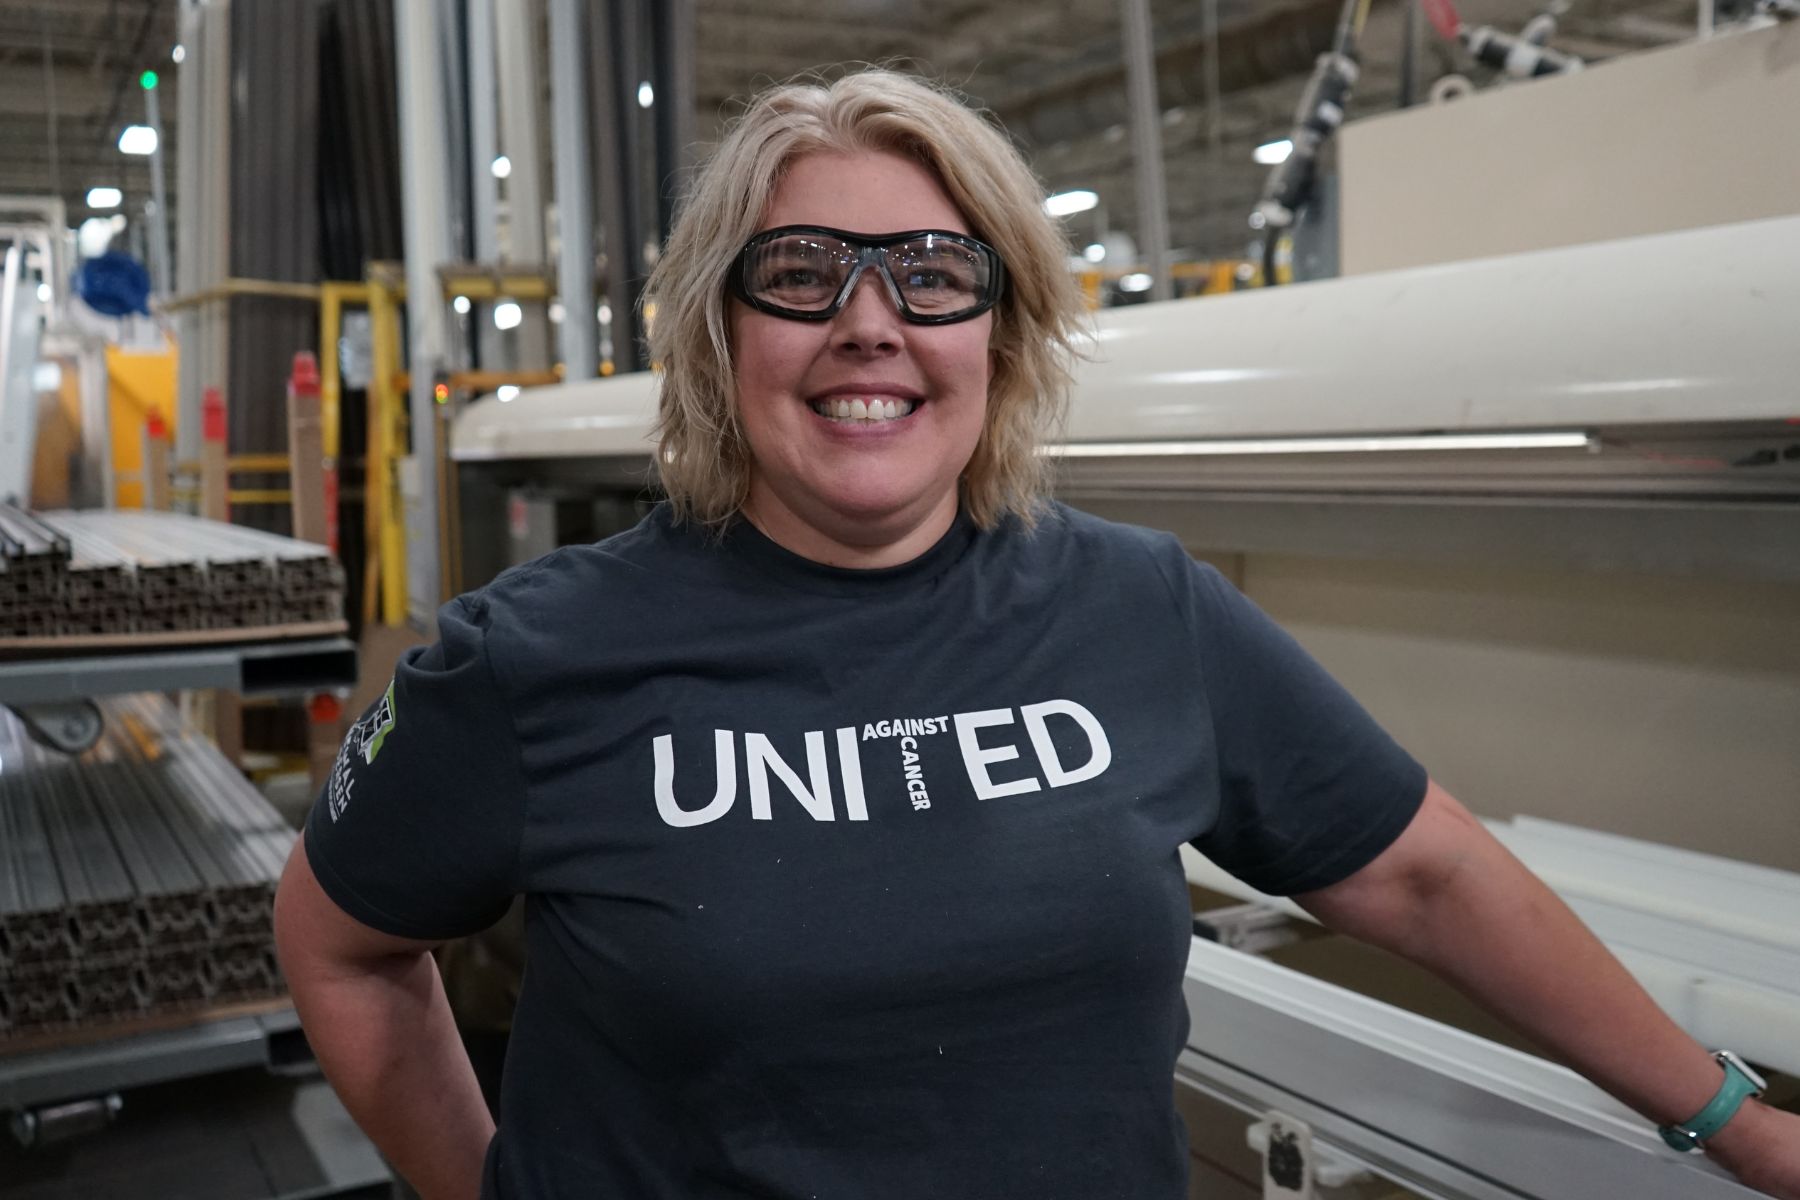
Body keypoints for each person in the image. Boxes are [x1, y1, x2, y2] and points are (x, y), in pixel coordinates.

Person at [273, 68, 1800, 1200]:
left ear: (996, 340)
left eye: (935, 276)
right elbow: (340, 943)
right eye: (801, 276)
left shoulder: (1142, 608)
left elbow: (1420, 867)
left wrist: (1733, 1118)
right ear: (717, 334)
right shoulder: (536, 657)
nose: (871, 322)